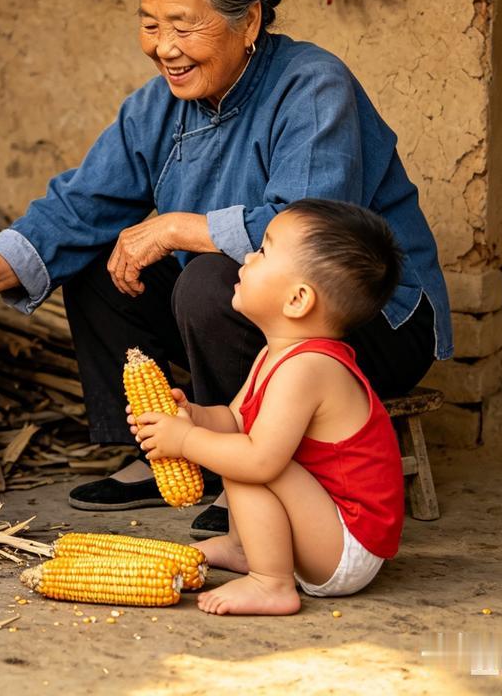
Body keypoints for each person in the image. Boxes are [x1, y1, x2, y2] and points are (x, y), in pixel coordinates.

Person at [0, 0, 451, 535]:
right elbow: (76, 209)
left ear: (249, 21)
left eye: (184, 25)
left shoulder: (312, 86)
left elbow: (310, 239)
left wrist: (176, 229)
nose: (165, 47)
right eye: (151, 24)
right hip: (266, 313)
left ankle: (250, 469)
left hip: (363, 323)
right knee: (104, 262)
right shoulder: (157, 105)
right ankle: (160, 453)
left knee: (212, 280)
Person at [132, 199, 406, 615]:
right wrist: (192, 417)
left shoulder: (310, 367)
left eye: (262, 250)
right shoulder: (273, 356)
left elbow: (259, 461)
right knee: (237, 443)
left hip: (348, 542)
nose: (245, 255)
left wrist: (187, 440)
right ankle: (245, 548)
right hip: (320, 525)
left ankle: (271, 583)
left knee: (250, 459)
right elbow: (232, 420)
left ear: (297, 300)